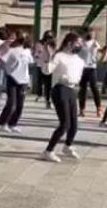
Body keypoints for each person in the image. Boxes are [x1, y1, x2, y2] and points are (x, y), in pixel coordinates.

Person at [40, 32, 86, 162]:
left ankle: (68, 146)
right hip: (60, 89)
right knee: (65, 124)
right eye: (78, 43)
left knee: (74, 125)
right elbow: (47, 71)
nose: (80, 46)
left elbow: (78, 74)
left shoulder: (78, 59)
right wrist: (48, 57)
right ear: (69, 43)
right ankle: (48, 151)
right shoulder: (59, 56)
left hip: (72, 89)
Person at [0, 32, 33, 133]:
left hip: (23, 81)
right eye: (21, 38)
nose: (24, 40)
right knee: (11, 103)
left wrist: (28, 80)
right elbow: (1, 62)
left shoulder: (27, 51)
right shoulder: (11, 51)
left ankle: (12, 124)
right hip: (12, 78)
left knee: (20, 105)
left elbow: (30, 64)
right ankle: (3, 123)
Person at [77, 28, 102, 118]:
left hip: (92, 68)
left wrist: (97, 53)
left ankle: (99, 108)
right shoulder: (81, 43)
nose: (91, 35)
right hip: (82, 68)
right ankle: (82, 109)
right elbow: (77, 53)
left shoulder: (95, 43)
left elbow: (100, 53)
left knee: (94, 88)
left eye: (93, 33)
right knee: (82, 89)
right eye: (89, 33)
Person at [33, 32, 55, 109]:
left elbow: (54, 55)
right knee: (40, 82)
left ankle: (48, 100)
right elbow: (36, 53)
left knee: (48, 85)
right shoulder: (39, 44)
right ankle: (39, 94)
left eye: (50, 37)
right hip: (40, 65)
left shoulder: (53, 45)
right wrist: (37, 58)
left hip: (50, 66)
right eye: (47, 37)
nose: (49, 39)